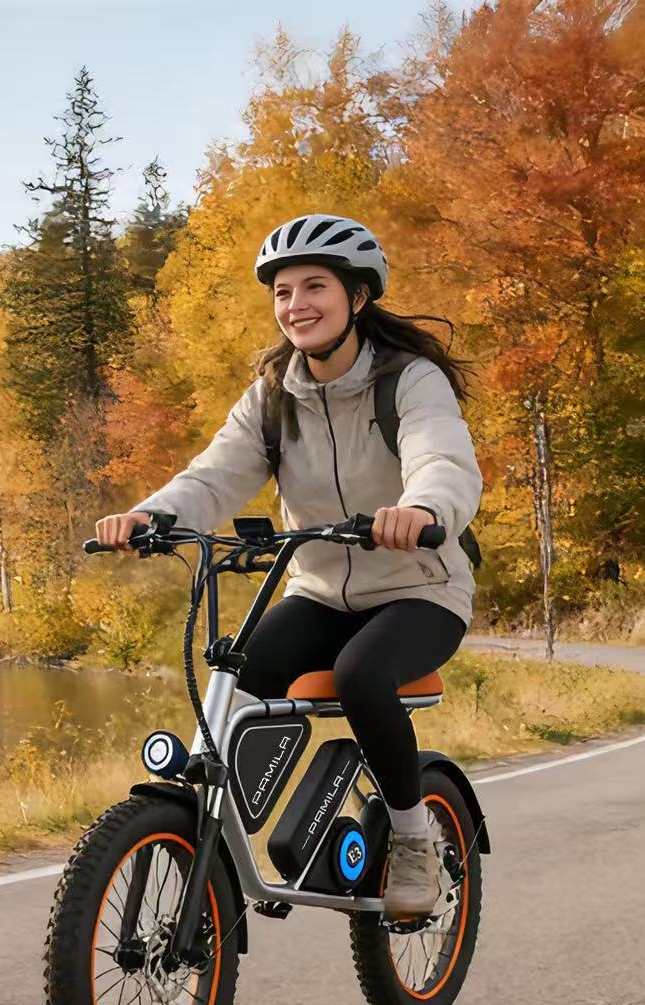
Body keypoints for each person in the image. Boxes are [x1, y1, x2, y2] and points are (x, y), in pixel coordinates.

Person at [91, 214, 482, 923]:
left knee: (364, 674)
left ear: (358, 297)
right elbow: (212, 477)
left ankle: (413, 841)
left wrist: (422, 509)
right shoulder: (274, 394)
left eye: (315, 287)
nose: (295, 303)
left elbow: (442, 458)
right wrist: (151, 517)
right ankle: (218, 839)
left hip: (420, 589)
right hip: (322, 591)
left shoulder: (409, 381)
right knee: (241, 668)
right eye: (283, 291)